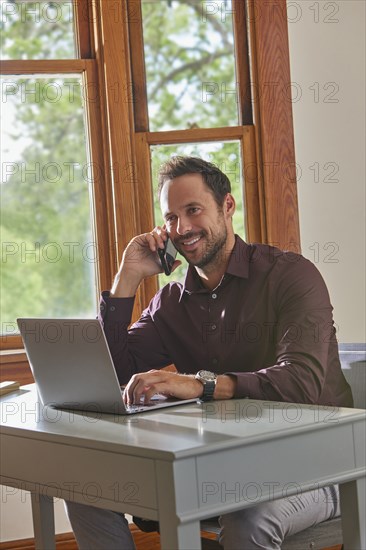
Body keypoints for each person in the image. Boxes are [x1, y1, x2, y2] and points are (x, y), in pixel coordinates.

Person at [65, 156, 352, 549]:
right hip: (224, 467)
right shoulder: (172, 301)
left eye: (193, 210)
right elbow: (114, 372)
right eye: (170, 217)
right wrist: (127, 277)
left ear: (228, 207)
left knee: (249, 518)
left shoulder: (291, 275)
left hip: (321, 465)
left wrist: (201, 385)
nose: (181, 229)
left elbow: (301, 382)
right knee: (85, 489)